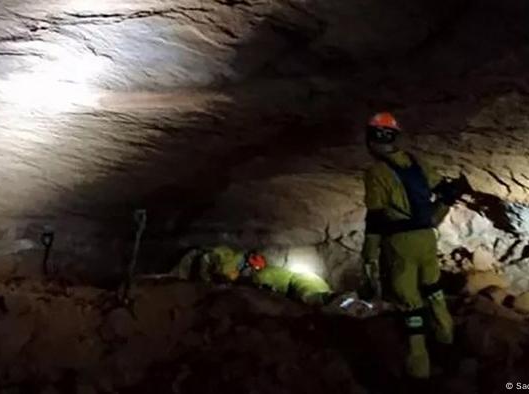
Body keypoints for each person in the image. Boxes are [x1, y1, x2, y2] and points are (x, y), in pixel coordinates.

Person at [362, 112, 468, 379]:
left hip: (400, 242)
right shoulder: (416, 163)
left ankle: (419, 366)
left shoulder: (376, 172)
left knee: (410, 303)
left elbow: (375, 218)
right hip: (426, 238)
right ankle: (447, 340)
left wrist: (369, 257)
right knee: (433, 289)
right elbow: (444, 190)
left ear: (371, 140)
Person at [170, 245, 348, 307]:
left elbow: (257, 283)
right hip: (308, 281)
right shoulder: (238, 263)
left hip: (304, 281)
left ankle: (341, 300)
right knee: (311, 297)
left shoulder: (263, 274)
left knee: (309, 297)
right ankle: (342, 301)